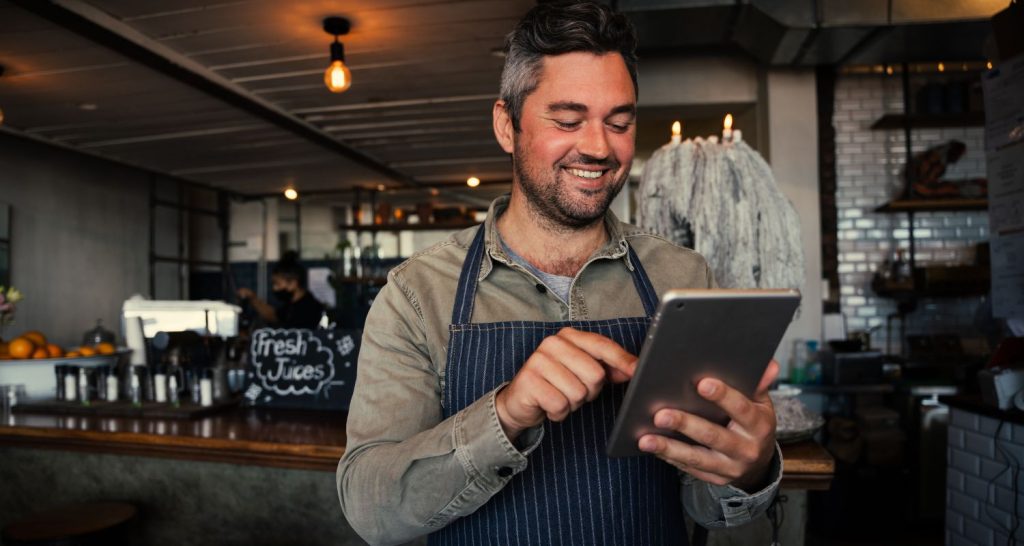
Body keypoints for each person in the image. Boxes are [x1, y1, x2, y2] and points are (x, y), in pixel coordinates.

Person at [337, 3, 782, 545]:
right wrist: (505, 414)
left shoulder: (682, 275)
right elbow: (371, 509)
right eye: (568, 120)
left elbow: (707, 503)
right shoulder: (417, 295)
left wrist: (749, 469)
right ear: (507, 125)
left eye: (619, 123)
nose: (598, 147)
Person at [237, 250, 324, 330]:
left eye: (277, 284)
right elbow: (274, 316)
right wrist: (252, 298)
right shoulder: (291, 305)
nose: (274, 288)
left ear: (293, 283)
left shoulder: (308, 308)